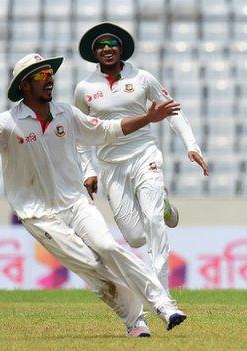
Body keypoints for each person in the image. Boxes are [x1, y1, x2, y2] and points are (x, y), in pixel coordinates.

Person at [0, 53, 187, 337]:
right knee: (91, 267)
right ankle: (135, 319)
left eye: (50, 74)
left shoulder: (67, 114)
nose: (49, 80)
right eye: (40, 76)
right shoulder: (7, 123)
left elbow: (107, 131)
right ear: (23, 86)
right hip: (40, 214)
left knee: (108, 247)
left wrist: (147, 117)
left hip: (76, 202)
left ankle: (164, 306)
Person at [74, 22, 209, 295]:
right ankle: (165, 205)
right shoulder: (84, 88)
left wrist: (191, 145)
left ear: (121, 49)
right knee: (135, 237)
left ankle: (163, 295)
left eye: (112, 44)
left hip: (144, 154)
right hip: (110, 164)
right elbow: (79, 134)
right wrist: (87, 170)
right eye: (101, 45)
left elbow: (172, 110)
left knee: (153, 221)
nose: (107, 49)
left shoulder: (143, 78)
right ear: (94, 53)